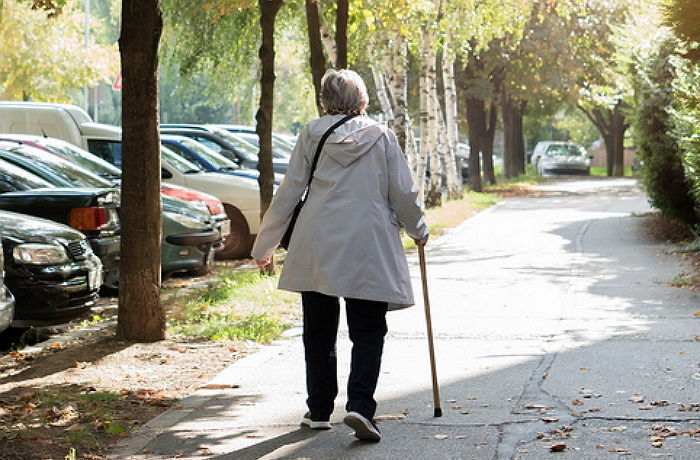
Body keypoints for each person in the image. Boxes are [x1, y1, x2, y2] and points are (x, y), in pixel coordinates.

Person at [251, 69, 428, 442]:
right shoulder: (381, 136)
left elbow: (290, 191)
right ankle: (361, 407)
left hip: (317, 238)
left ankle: (318, 409)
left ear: (324, 102)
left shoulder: (311, 133)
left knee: (318, 328)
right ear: (362, 102)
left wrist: (263, 246)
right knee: (368, 329)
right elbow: (403, 192)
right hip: (368, 239)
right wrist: (419, 231)